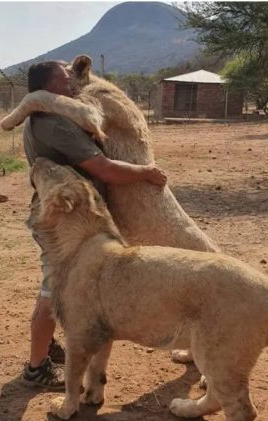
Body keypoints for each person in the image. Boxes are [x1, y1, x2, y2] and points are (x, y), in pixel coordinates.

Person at [21, 61, 168, 389]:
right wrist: (145, 172)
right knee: (51, 290)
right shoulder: (55, 124)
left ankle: (47, 348)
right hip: (67, 220)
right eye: (64, 78)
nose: (72, 82)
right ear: (49, 88)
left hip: (65, 216)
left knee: (61, 285)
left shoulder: (40, 119)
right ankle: (35, 368)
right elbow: (104, 169)